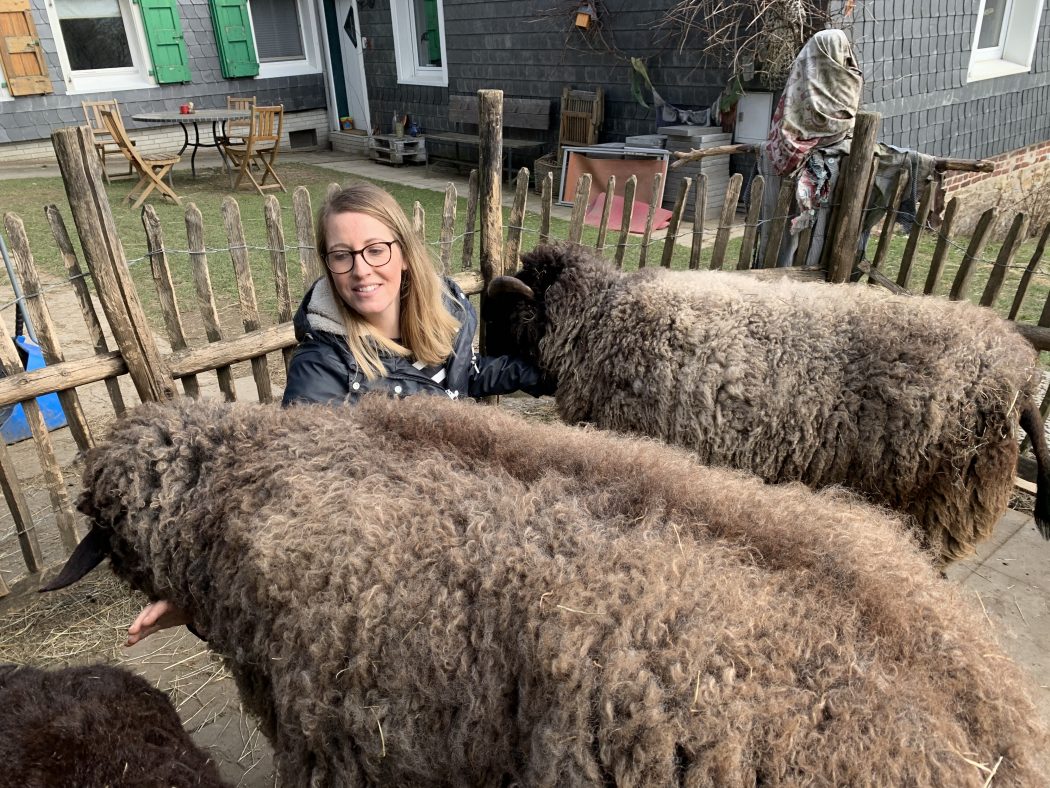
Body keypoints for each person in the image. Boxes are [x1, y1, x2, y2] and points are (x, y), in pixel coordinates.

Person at [127, 181, 553, 647]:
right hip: (398, 541)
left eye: (375, 250)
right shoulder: (322, 366)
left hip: (465, 502)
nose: (360, 269)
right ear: (328, 265)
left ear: (404, 253)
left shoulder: (447, 310)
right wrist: (206, 591)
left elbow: (464, 375)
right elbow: (295, 479)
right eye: (342, 255)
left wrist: (555, 371)